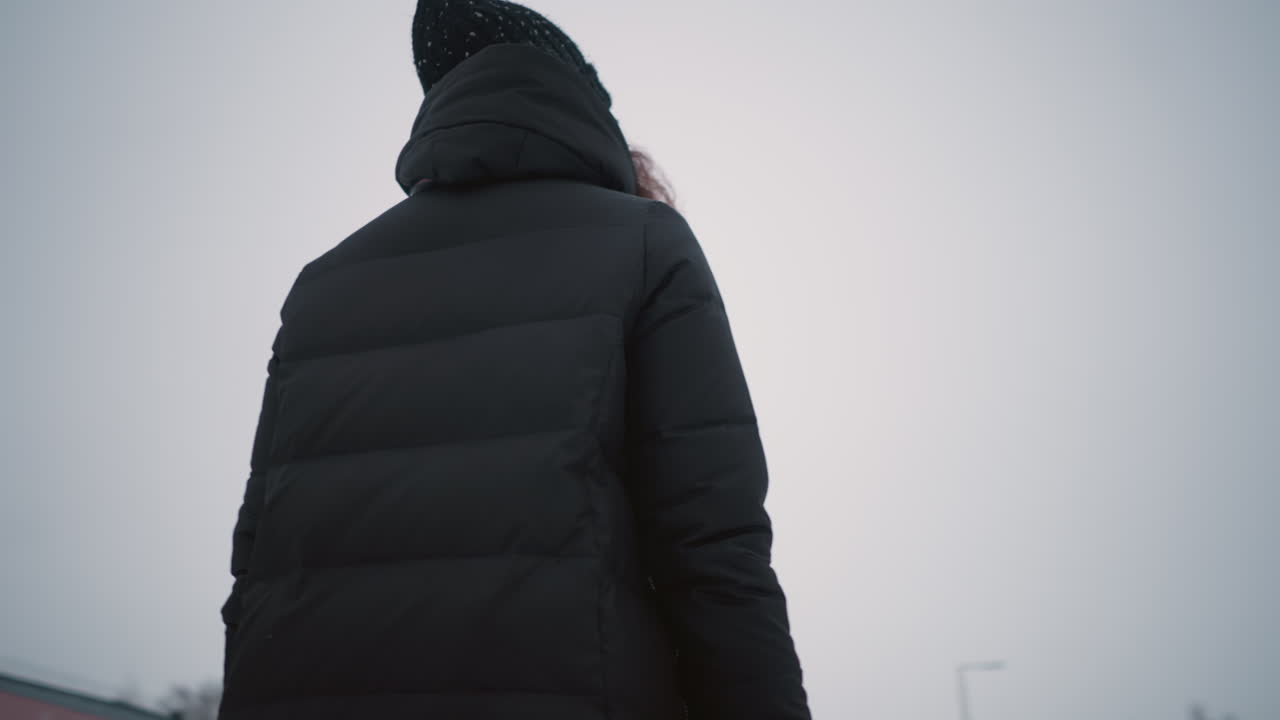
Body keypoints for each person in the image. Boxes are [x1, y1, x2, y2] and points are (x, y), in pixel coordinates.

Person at [217, 2, 812, 718]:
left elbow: (253, 582)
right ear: (587, 112)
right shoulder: (647, 244)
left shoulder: (322, 285)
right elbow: (715, 555)